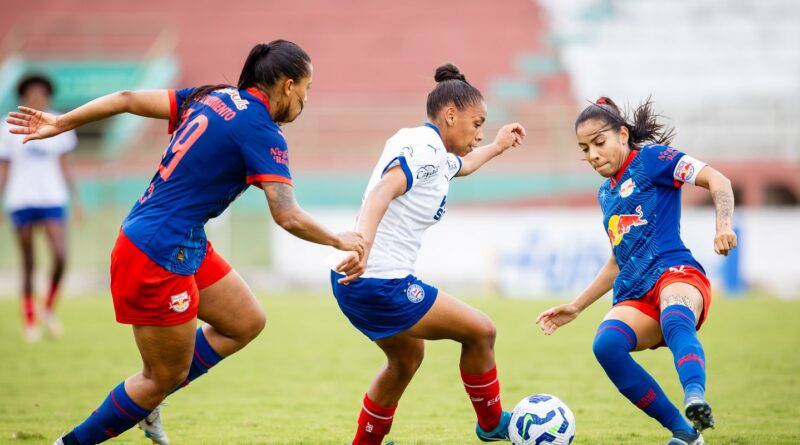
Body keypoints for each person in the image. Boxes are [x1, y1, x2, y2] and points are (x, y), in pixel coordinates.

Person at [7, 40, 365, 445]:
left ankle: (151, 399)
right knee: (161, 376)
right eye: (307, 88)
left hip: (179, 236)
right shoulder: (262, 130)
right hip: (157, 251)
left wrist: (62, 121)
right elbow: (287, 215)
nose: (306, 99)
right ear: (286, 85)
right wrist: (341, 240)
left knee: (246, 322)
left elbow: (125, 99)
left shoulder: (213, 96)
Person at [329, 63, 526, 445]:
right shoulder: (424, 150)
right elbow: (382, 192)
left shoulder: (429, 148)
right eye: (477, 123)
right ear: (451, 115)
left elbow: (462, 165)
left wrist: (497, 147)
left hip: (355, 280)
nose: (480, 133)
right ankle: (491, 424)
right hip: (376, 279)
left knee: (405, 360)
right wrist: (363, 246)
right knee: (481, 331)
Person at [535, 97, 737, 445]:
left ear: (623, 135)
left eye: (599, 142)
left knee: (675, 317)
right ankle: (685, 432)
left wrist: (723, 225)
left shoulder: (653, 159)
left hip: (675, 272)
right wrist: (577, 306)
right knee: (607, 345)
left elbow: (718, 180)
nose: (593, 154)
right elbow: (618, 258)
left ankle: (695, 397)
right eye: (585, 149)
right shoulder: (605, 194)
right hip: (634, 289)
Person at [0, 74, 81, 342]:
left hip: (52, 199)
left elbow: (65, 166)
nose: (37, 98)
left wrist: (77, 201)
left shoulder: (60, 124)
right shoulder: (7, 127)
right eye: (32, 93)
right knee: (28, 262)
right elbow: (5, 168)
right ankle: (30, 321)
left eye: (42, 93)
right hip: (20, 199)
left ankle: (47, 308)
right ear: (23, 97)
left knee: (60, 255)